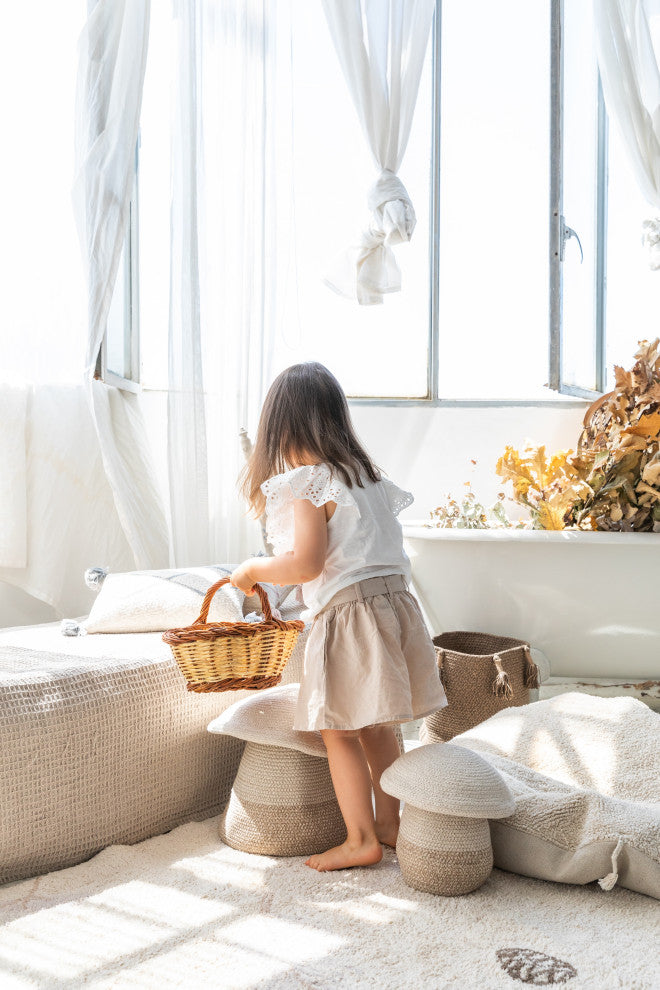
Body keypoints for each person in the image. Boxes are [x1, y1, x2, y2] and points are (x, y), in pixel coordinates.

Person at [230, 362, 448, 872]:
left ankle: (359, 838)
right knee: (376, 724)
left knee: (339, 730)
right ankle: (391, 823)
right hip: (394, 607)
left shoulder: (308, 483)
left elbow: (305, 563)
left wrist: (252, 569)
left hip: (350, 614)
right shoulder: (368, 478)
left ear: (279, 428)